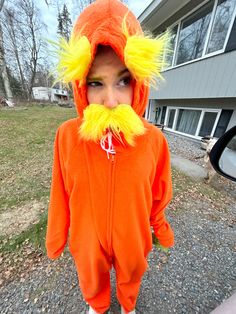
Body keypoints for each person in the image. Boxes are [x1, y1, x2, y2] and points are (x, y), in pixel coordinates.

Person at [46, 0, 174, 313]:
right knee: (91, 275)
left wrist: (159, 226)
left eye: (123, 80)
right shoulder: (67, 136)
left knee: (132, 271)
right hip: (88, 238)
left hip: (132, 235)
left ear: (139, 81)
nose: (111, 101)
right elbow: (59, 191)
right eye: (95, 83)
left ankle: (127, 305)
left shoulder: (153, 140)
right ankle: (98, 305)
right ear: (80, 86)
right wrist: (57, 233)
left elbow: (159, 190)